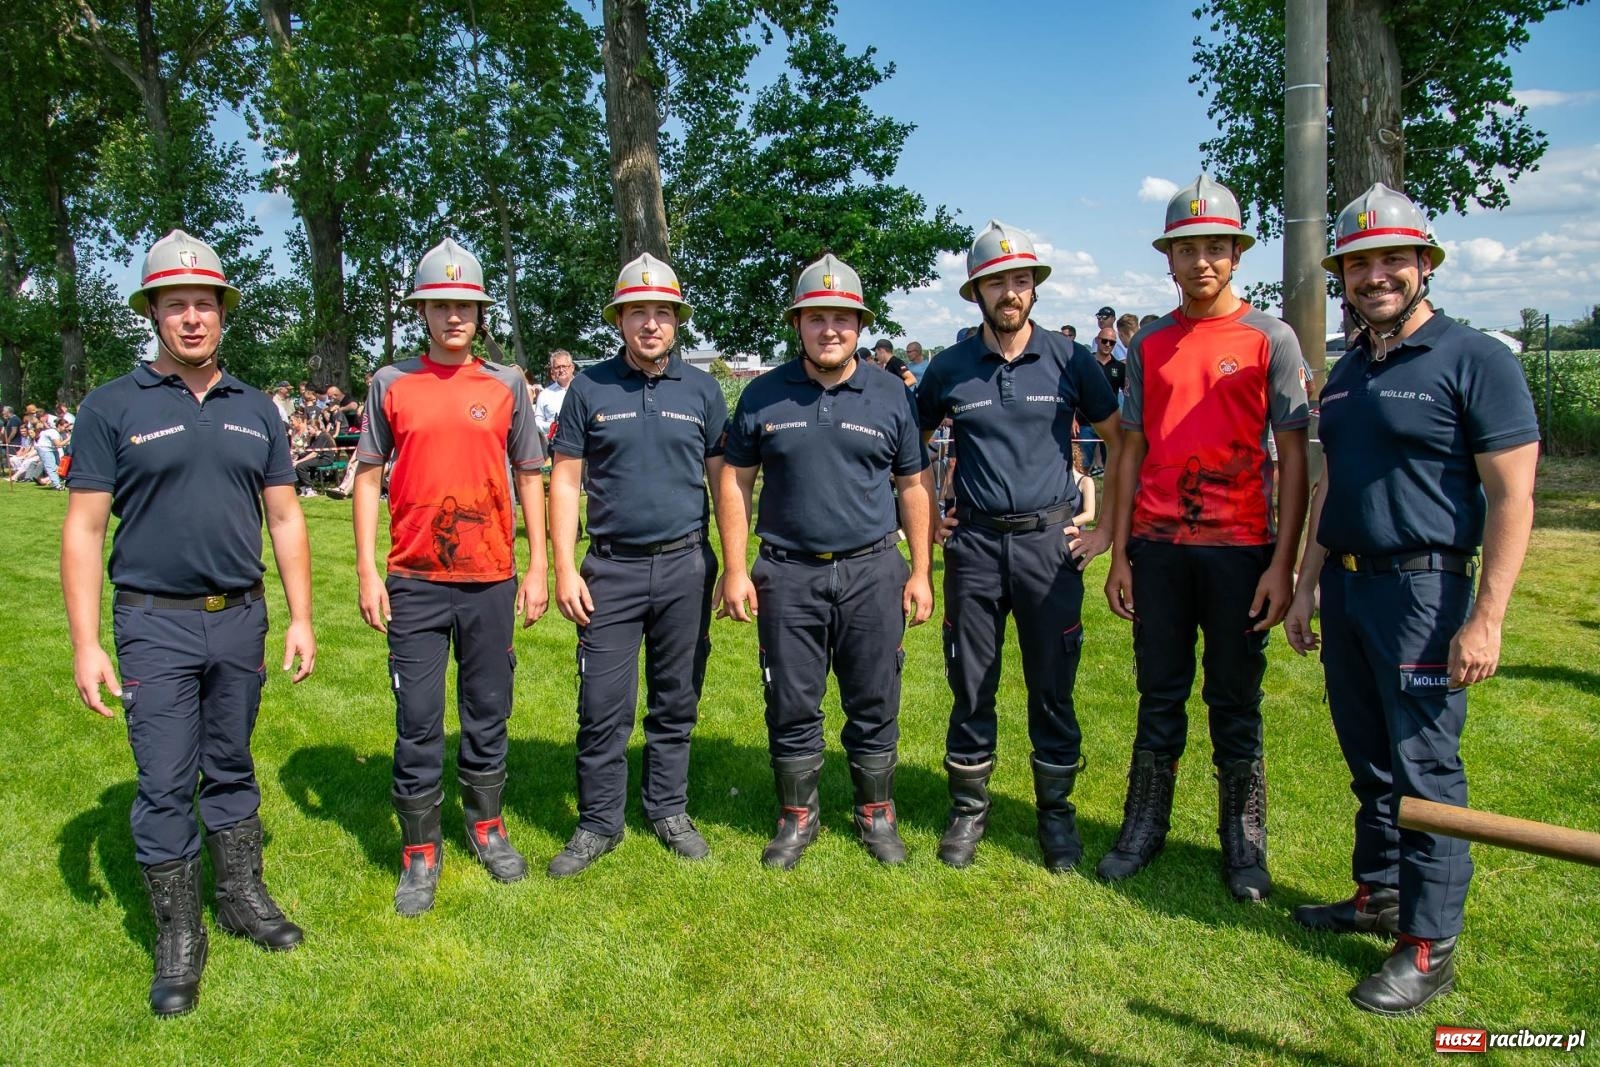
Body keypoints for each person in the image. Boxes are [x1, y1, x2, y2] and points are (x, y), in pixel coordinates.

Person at [1284, 183, 1539, 1015]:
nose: (1376, 277)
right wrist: (1306, 587)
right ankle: (1379, 894)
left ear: (1424, 264)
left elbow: (1513, 497)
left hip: (1426, 591)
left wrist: (1487, 615)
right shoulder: (1351, 371)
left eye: (1393, 259)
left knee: (1425, 773)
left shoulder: (1476, 360)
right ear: (1344, 278)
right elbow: (1331, 488)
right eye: (1360, 265)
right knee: (1371, 760)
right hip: (1350, 589)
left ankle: (1429, 943)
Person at [62, 229, 315, 1016]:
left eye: (205, 302)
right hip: (154, 623)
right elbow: (82, 530)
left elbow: (285, 518)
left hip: (240, 618)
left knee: (232, 763)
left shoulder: (256, 410)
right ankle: (179, 937)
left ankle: (240, 897)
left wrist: (302, 615)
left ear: (223, 312)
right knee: (167, 780)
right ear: (154, 313)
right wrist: (85, 642)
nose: (193, 318)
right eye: (177, 305)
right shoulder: (112, 406)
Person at [1100, 174, 1310, 902]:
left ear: (1235, 253)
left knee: (1234, 697)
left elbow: (1295, 456)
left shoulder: (1269, 339)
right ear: (1169, 256)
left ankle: (1243, 842)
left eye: (1215, 247)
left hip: (1241, 550)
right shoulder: (1149, 342)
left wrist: (1282, 564)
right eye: (1187, 249)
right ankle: (1143, 825)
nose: (1202, 262)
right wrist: (1122, 550)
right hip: (1159, 550)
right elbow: (1127, 449)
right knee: (1159, 692)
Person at [916, 220, 1122, 872]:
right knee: (971, 682)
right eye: (998, 281)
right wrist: (927, 526)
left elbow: (1123, 439)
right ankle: (969, 811)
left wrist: (1106, 529)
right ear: (976, 290)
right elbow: (911, 448)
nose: (1012, 291)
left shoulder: (1069, 360)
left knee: (1052, 686)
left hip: (1049, 545)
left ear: (1034, 287)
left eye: (1022, 279)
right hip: (974, 546)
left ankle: (1055, 815)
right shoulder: (949, 367)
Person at [352, 237, 549, 917]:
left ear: (480, 311)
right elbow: (368, 476)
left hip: (491, 576)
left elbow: (531, 477)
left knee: (489, 711)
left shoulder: (507, 383)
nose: (453, 316)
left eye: (465, 304)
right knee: (418, 719)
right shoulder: (390, 382)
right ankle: (419, 850)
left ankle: (487, 826)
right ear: (423, 311)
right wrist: (366, 570)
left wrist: (540, 566)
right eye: (441, 304)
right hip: (414, 579)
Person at [716, 254, 933, 869]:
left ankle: (875, 814)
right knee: (791, 698)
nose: (830, 329)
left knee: (875, 695)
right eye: (817, 318)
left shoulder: (892, 394)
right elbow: (736, 483)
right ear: (799, 324)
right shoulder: (763, 393)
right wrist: (736, 569)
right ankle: (798, 816)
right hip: (788, 572)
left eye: (842, 318)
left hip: (872, 569)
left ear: (859, 326)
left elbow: (913, 486)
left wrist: (919, 570)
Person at [547, 253, 727, 876]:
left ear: (676, 321)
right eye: (637, 313)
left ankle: (668, 807)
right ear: (620, 319)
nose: (650, 324)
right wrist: (565, 568)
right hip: (610, 570)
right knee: (603, 704)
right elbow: (565, 481)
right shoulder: (588, 387)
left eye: (661, 313)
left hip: (685, 567)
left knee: (677, 699)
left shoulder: (703, 391)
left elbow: (724, 481)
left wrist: (733, 564)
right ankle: (600, 820)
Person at [534, 348, 576, 439]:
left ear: (572, 367)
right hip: (555, 446)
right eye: (557, 367)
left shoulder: (584, 389)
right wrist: (553, 427)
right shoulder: (545, 394)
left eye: (564, 366)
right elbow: (536, 422)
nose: (561, 370)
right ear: (552, 370)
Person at [36, 415, 67, 489]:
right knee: (51, 467)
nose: (66, 429)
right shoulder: (54, 432)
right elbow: (59, 444)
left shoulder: (59, 433)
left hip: (52, 449)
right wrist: (69, 438)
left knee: (59, 467)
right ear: (59, 425)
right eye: (65, 427)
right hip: (45, 449)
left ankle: (57, 481)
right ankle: (57, 485)